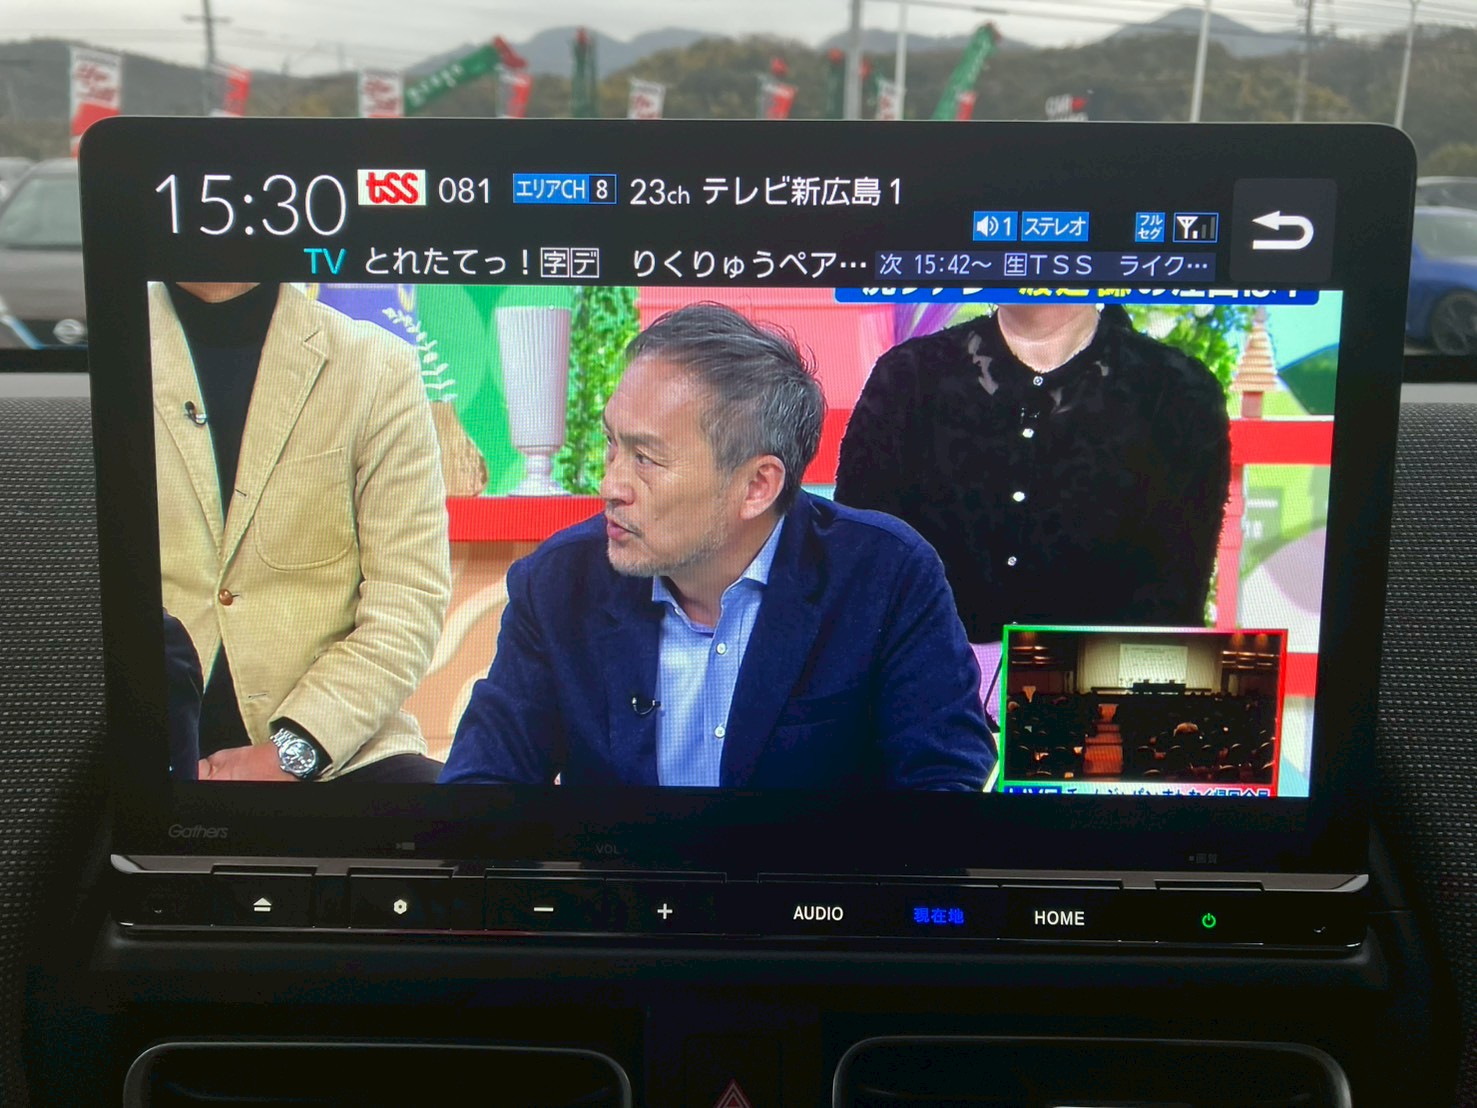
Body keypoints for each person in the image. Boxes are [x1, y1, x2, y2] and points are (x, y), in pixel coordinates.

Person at [440, 304, 994, 790]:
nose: (611, 485)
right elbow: (484, 785)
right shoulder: (558, 582)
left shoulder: (886, 575)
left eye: (646, 459)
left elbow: (946, 786)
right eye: (612, 444)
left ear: (757, 486)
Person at [834, 303, 1231, 709]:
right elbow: (859, 574)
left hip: (1104, 718)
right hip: (915, 711)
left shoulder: (1178, 392)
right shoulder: (907, 377)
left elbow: (1172, 604)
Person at [151, 281, 451, 782]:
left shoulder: (376, 367)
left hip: (339, 754)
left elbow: (408, 601)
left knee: (451, 815)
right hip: (147, 748)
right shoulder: (108, 358)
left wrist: (296, 750)